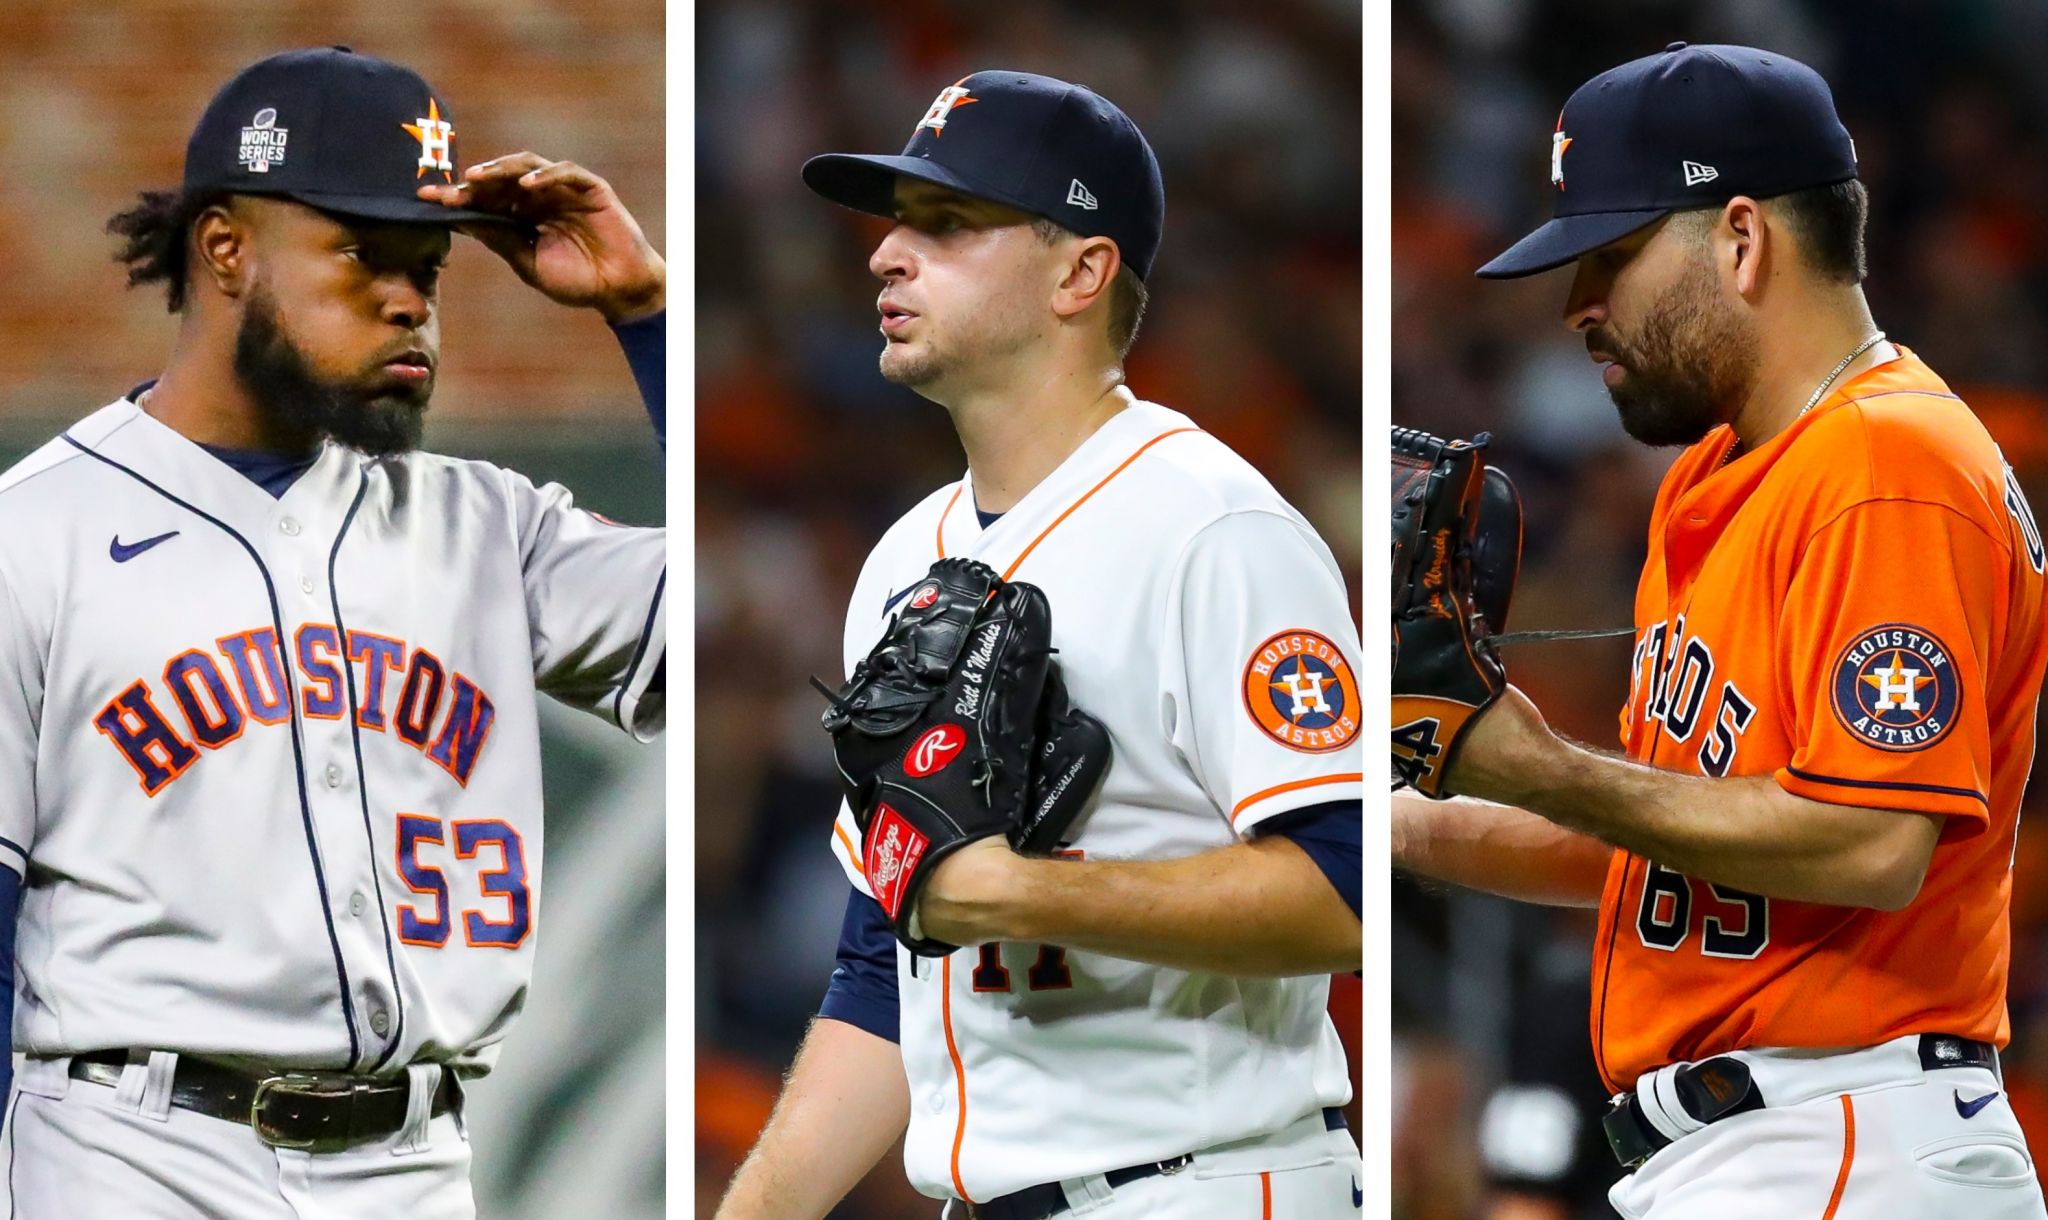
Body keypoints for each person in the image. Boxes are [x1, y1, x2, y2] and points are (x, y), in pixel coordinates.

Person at [0, 47, 666, 1217]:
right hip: (134, 1156)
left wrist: (647, 315)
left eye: (428, 266)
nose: (409, 298)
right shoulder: (38, 531)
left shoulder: (491, 527)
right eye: (362, 254)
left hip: (415, 1165)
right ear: (226, 251)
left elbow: (795, 621)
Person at [1395, 42, 2048, 1217]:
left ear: (1740, 239)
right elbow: (1682, 849)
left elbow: (1868, 841)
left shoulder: (1883, 460)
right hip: (1773, 1141)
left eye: (1610, 256)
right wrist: (1398, 810)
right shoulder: (1726, 474)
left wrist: (1533, 762)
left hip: (1840, 1131)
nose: (1576, 305)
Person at [715, 70, 1364, 1219]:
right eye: (899, 223)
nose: (885, 256)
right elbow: (884, 964)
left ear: (1081, 271)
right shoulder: (902, 562)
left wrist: (1023, 892)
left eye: (948, 225)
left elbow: (1345, 895)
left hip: (1204, 1181)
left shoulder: (1215, 526)